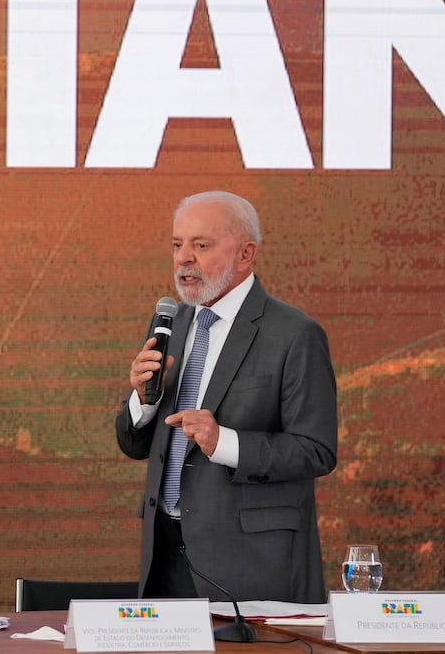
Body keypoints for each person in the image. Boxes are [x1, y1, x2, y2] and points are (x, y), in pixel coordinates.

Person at [116, 191, 338, 603]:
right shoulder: (172, 322)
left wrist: (226, 443)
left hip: (251, 563)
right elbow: (134, 445)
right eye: (177, 245)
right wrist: (142, 401)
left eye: (201, 245)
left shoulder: (294, 334)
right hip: (166, 556)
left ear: (245, 254)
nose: (184, 258)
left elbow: (316, 450)